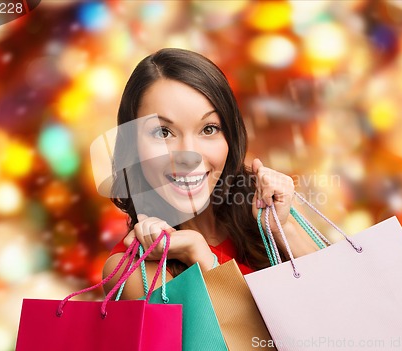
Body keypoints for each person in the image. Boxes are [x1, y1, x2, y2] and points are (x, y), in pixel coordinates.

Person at [103, 48, 319, 300]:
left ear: (229, 135)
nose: (189, 155)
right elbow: (255, 339)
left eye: (208, 129)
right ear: (133, 146)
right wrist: (201, 257)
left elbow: (345, 303)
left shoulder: (265, 214)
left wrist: (283, 229)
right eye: (163, 133)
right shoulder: (134, 271)